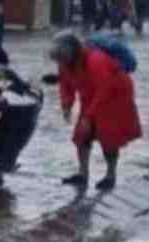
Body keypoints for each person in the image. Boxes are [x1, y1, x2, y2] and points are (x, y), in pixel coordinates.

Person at [50, 32, 142, 191]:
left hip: (115, 96)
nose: (61, 62)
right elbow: (65, 85)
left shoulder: (96, 60)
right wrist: (66, 105)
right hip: (91, 94)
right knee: (81, 135)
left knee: (109, 137)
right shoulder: (65, 62)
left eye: (63, 57)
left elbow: (104, 89)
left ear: (73, 51)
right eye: (59, 59)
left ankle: (110, 175)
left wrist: (88, 116)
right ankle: (83, 174)